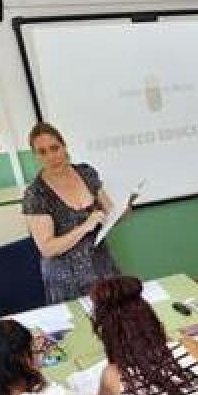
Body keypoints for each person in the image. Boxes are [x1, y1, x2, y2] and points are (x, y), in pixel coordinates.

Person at [24, 122, 126, 303]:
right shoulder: (36, 194)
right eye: (42, 152)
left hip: (103, 267)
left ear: (64, 147)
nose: (50, 156)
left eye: (54, 148)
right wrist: (85, 227)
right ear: (35, 155)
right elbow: (47, 249)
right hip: (67, 281)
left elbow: (108, 211)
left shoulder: (85, 173)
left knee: (120, 319)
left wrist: (122, 212)